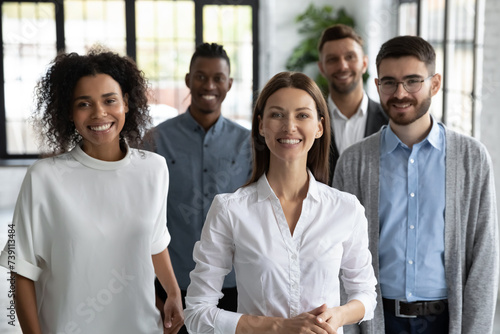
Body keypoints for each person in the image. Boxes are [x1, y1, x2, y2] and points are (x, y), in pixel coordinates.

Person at [0, 49, 183, 334]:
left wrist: (172, 291)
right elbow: (20, 268)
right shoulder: (44, 178)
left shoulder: (154, 169)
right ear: (69, 113)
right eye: (84, 104)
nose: (99, 113)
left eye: (110, 100)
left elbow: (155, 241)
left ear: (126, 103)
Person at [184, 71, 377, 334]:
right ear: (261, 125)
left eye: (302, 115)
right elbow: (197, 312)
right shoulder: (230, 210)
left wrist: (338, 315)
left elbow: (366, 294)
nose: (289, 126)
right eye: (277, 114)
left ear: (319, 126)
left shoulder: (346, 208)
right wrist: (279, 327)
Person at [333, 35, 499, 333]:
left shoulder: (472, 158)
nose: (400, 93)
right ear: (377, 86)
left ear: (434, 84)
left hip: (448, 320)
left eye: (412, 81)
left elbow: (484, 256)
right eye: (389, 82)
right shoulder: (354, 162)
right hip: (378, 320)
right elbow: (340, 257)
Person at [147, 43, 252, 332]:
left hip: (232, 284)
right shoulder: (155, 140)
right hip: (173, 281)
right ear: (188, 80)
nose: (209, 85)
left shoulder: (250, 144)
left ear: (229, 84)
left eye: (218, 78)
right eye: (200, 76)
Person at [317, 24, 388, 182]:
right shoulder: (309, 121)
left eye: (350, 57)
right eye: (332, 59)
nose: (342, 66)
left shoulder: (390, 120)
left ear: (364, 64)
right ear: (322, 68)